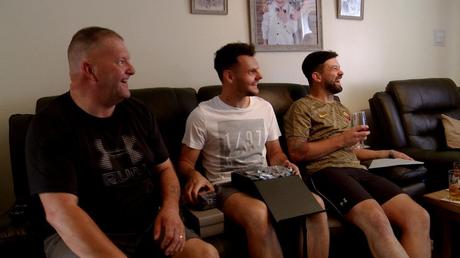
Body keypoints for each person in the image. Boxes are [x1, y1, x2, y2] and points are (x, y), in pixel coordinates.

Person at [25, 26, 218, 258]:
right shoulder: (50, 124)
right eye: (121, 61)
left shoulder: (138, 111)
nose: (132, 69)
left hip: (147, 224)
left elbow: (165, 168)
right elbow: (61, 212)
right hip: (80, 233)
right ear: (90, 70)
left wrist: (170, 209)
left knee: (204, 254)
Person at [178, 42, 329, 258]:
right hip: (225, 185)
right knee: (258, 212)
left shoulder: (264, 108)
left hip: (265, 180)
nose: (260, 75)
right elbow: (184, 162)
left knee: (316, 204)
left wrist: (284, 163)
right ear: (229, 76)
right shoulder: (203, 115)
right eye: (252, 71)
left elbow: (275, 152)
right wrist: (194, 175)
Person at [284, 50, 431, 258]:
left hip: (357, 170)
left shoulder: (341, 108)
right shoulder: (301, 108)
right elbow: (297, 152)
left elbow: (355, 151)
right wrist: (342, 139)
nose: (341, 72)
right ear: (316, 77)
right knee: (377, 220)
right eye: (334, 69)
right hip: (326, 172)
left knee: (419, 216)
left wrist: (387, 153)